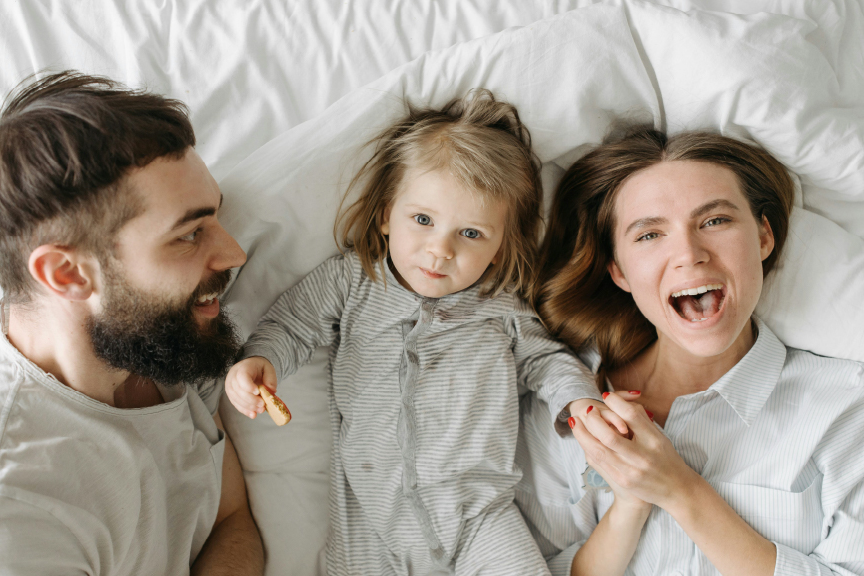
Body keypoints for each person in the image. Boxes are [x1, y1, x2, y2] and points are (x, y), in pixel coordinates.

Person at [224, 90, 619, 576]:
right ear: (388, 215)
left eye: (470, 234)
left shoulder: (500, 306)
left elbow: (548, 361)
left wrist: (578, 401)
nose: (440, 251)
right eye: (423, 220)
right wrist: (260, 361)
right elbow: (291, 323)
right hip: (369, 524)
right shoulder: (353, 280)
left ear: (499, 248)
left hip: (477, 516)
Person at [515, 126, 864, 575]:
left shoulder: (847, 410)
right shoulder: (562, 406)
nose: (689, 253)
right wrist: (630, 502)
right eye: (648, 235)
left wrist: (681, 490)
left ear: (763, 237)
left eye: (714, 221)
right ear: (618, 270)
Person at [0, 72, 265, 576]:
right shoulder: (9, 511)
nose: (233, 252)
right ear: (67, 273)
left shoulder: (154, 340)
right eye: (190, 234)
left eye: (215, 217)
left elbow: (230, 519)